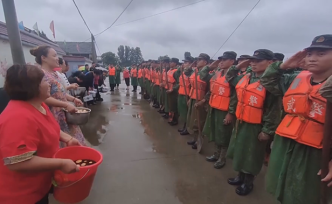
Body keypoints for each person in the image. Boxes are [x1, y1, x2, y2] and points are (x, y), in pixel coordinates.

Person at [261, 34, 332, 204]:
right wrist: (283, 66)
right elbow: (267, 81)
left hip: (316, 151)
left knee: (306, 194)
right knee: (282, 186)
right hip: (286, 141)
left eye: (321, 54)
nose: (313, 58)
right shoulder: (294, 79)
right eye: (309, 54)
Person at [0, 64, 81, 204]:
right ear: (32, 87)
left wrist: (68, 138)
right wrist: (61, 163)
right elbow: (17, 162)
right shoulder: (18, 118)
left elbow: (51, 127)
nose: (48, 84)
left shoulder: (38, 104)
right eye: (44, 81)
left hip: (39, 186)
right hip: (22, 195)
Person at [225, 49, 280, 196]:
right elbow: (229, 77)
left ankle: (248, 182)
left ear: (270, 63)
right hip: (241, 121)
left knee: (252, 155)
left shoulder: (271, 83)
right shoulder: (247, 77)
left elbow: (274, 109)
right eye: (253, 61)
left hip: (256, 125)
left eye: (258, 61)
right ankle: (240, 176)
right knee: (240, 150)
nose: (254, 64)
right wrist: (237, 66)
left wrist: (267, 130)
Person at [30, 46, 86, 146]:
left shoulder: (55, 74)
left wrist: (73, 99)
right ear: (44, 58)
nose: (57, 59)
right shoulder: (41, 75)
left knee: (75, 140)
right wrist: (65, 104)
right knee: (62, 143)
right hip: (54, 115)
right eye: (54, 55)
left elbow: (61, 92)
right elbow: (44, 98)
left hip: (65, 113)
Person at [203, 51, 237, 169]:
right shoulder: (218, 73)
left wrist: (230, 113)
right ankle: (216, 154)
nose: (221, 62)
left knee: (224, 135)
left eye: (225, 59)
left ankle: (222, 158)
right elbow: (211, 87)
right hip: (215, 107)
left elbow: (235, 97)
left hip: (225, 110)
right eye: (221, 59)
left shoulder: (234, 76)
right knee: (216, 132)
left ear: (232, 61)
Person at [186, 53, 211, 149]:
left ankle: (199, 140)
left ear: (205, 62)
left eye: (200, 60)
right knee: (193, 120)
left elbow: (210, 91)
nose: (197, 61)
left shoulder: (208, 76)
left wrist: (203, 101)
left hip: (201, 101)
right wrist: (190, 98)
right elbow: (186, 72)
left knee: (199, 121)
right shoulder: (195, 72)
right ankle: (195, 138)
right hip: (193, 98)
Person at [178, 56, 194, 135]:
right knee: (183, 112)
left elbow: (192, 86)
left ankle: (187, 128)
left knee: (187, 113)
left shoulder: (192, 73)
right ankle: (184, 126)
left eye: (186, 62)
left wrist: (190, 98)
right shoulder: (183, 72)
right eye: (184, 62)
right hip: (181, 93)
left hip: (187, 95)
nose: (184, 64)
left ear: (191, 64)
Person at [166, 58, 181, 126]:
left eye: (172, 62)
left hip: (174, 90)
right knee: (170, 105)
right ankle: (171, 117)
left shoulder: (176, 71)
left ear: (175, 63)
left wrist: (173, 89)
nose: (170, 63)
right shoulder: (170, 70)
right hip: (169, 88)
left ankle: (175, 119)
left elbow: (179, 82)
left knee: (174, 105)